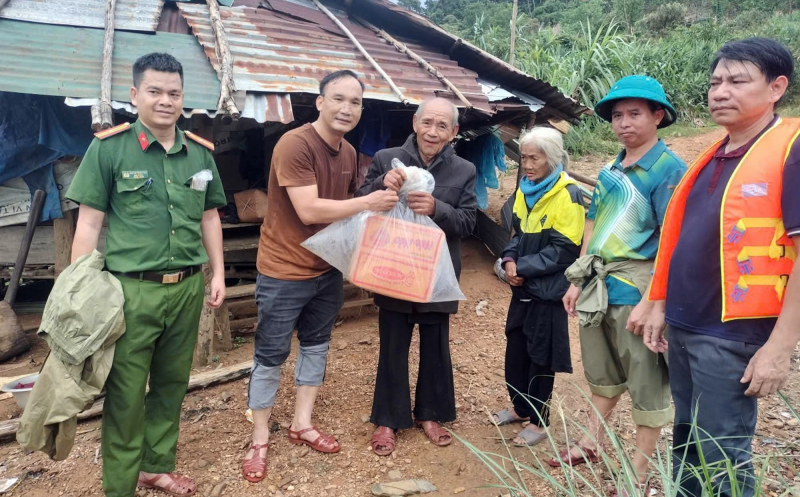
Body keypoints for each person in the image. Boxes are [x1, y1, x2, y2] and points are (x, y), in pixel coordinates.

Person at [644, 38, 800, 497]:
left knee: (724, 456)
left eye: (737, 81)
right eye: (715, 82)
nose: (720, 92)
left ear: (776, 87)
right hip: (686, 328)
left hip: (733, 335)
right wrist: (658, 304)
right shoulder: (713, 154)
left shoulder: (791, 149)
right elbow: (681, 241)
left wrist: (779, 348)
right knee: (688, 446)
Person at [66, 53, 227, 497]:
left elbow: (210, 216)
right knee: (126, 393)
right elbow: (89, 224)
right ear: (135, 94)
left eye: (174, 93)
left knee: (173, 384)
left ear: (182, 98)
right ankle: (119, 485)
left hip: (187, 288)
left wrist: (217, 273)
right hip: (130, 292)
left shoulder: (199, 152)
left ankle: (156, 466)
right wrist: (78, 289)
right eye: (154, 91)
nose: (165, 101)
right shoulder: (109, 148)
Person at [242, 70, 399, 483]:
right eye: (338, 99)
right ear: (320, 102)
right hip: (283, 269)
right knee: (270, 355)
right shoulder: (294, 144)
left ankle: (302, 423)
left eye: (355, 102)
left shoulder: (347, 152)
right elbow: (310, 210)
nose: (347, 108)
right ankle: (260, 438)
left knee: (316, 346)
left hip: (325, 269)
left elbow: (343, 211)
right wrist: (370, 202)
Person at [549, 76, 687, 496]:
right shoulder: (612, 167)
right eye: (618, 115)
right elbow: (593, 223)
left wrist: (654, 301)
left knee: (646, 384)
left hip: (637, 288)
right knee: (603, 372)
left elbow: (672, 239)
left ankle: (640, 477)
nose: (624, 123)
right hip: (598, 284)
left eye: (635, 114)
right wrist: (580, 275)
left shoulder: (668, 170)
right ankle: (590, 442)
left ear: (657, 115)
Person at [356, 97, 477, 456]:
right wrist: (383, 183)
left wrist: (438, 208)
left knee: (435, 345)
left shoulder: (464, 169)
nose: (433, 132)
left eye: (442, 126)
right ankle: (388, 419)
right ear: (415, 123)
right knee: (392, 343)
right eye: (428, 123)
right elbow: (362, 203)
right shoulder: (386, 159)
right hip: (393, 265)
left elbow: (469, 222)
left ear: (454, 132)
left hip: (437, 271)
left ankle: (431, 413)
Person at [490, 127, 585, 446]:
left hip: (547, 292)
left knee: (540, 356)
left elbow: (565, 249)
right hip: (523, 289)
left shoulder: (568, 193)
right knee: (516, 348)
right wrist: (508, 259)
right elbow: (517, 235)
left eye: (535, 157)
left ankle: (540, 420)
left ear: (553, 158)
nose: (527, 164)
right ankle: (520, 408)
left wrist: (523, 268)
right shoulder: (525, 189)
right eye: (525, 157)